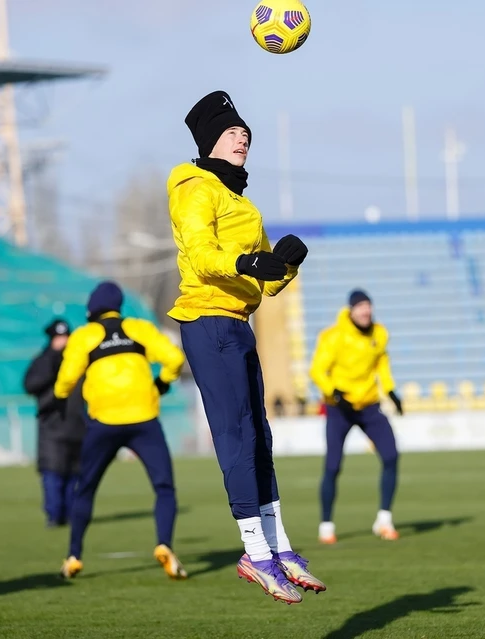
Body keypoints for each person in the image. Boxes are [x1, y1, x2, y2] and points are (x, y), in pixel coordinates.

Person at [166, 90, 325, 604]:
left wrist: (285, 262)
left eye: (246, 133)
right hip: (206, 320)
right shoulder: (194, 187)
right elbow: (202, 252)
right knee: (235, 434)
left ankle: (278, 549)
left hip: (237, 322)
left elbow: (265, 282)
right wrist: (245, 263)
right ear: (211, 140)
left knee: (259, 437)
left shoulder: (244, 205)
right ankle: (254, 554)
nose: (243, 137)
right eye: (233, 131)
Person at [53, 282, 188, 581]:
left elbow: (65, 380)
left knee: (85, 489)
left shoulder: (85, 336)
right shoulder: (139, 328)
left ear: (92, 310)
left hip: (104, 423)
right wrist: (161, 384)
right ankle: (164, 544)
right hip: (144, 419)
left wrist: (63, 399)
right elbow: (175, 359)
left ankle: (74, 556)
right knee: (163, 487)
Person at [309, 289, 403, 544]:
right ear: (351, 310)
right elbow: (317, 369)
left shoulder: (379, 333)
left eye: (368, 306)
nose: (366, 311)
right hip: (340, 407)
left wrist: (391, 390)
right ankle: (326, 525)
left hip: (369, 404)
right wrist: (333, 392)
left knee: (391, 456)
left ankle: (384, 520)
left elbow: (381, 362)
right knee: (333, 465)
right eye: (361, 307)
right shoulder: (333, 336)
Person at [23, 318, 85, 528]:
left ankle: (70, 514)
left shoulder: (79, 360)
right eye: (58, 338)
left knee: (74, 474)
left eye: (65, 337)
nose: (63, 342)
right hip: (51, 426)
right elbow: (30, 385)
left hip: (77, 424)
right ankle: (54, 514)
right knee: (53, 473)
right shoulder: (43, 361)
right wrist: (52, 365)